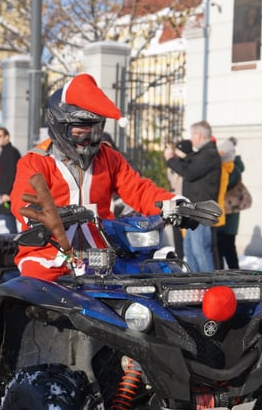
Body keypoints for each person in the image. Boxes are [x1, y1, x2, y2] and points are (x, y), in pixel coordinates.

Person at [11, 73, 184, 281]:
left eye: (95, 130)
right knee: (34, 293)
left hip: (101, 253)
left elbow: (138, 189)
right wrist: (40, 213)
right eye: (80, 131)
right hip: (49, 254)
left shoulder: (108, 157)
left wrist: (176, 204)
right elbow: (23, 201)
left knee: (147, 282)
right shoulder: (36, 161)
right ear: (58, 124)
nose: (88, 139)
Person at [164, 121, 221, 272]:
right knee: (189, 250)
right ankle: (197, 284)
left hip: (201, 210)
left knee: (200, 251)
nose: (191, 138)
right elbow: (190, 164)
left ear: (200, 135)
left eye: (192, 135)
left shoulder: (209, 154)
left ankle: (210, 285)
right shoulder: (203, 153)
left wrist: (170, 159)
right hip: (193, 210)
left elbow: (189, 172)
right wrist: (176, 157)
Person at [217, 137, 243, 270]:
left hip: (229, 213)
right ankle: (229, 271)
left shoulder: (232, 168)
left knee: (227, 247)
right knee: (223, 247)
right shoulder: (232, 167)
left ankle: (234, 273)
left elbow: (227, 185)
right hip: (227, 212)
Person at [0, 127, 21, 234]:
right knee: (8, 221)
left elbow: (12, 174)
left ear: (7, 137)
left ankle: (16, 246)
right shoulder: (5, 152)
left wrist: (6, 192)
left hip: (9, 193)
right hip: (5, 191)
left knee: (10, 222)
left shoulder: (11, 152)